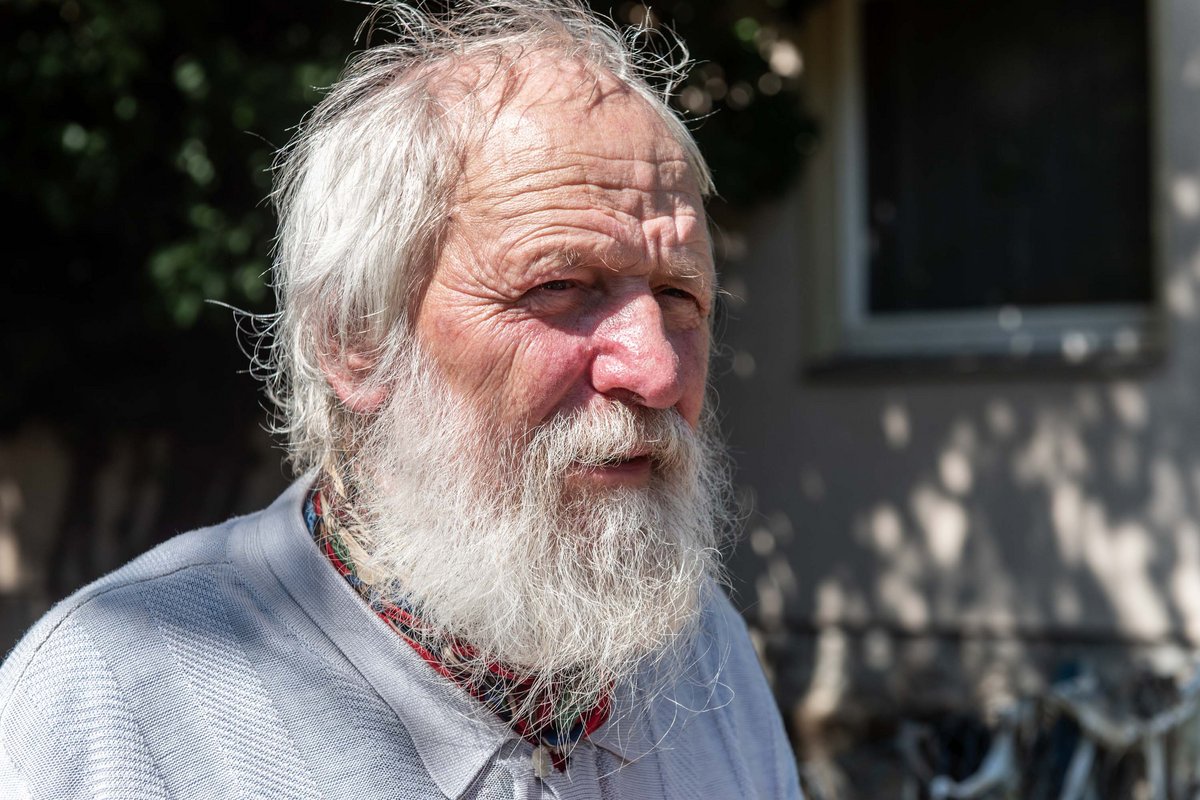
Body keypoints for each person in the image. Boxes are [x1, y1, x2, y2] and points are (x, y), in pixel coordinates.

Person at [0, 2, 802, 797]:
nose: (657, 370)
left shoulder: (703, 651)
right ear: (355, 339)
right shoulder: (117, 708)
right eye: (560, 286)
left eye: (678, 295)